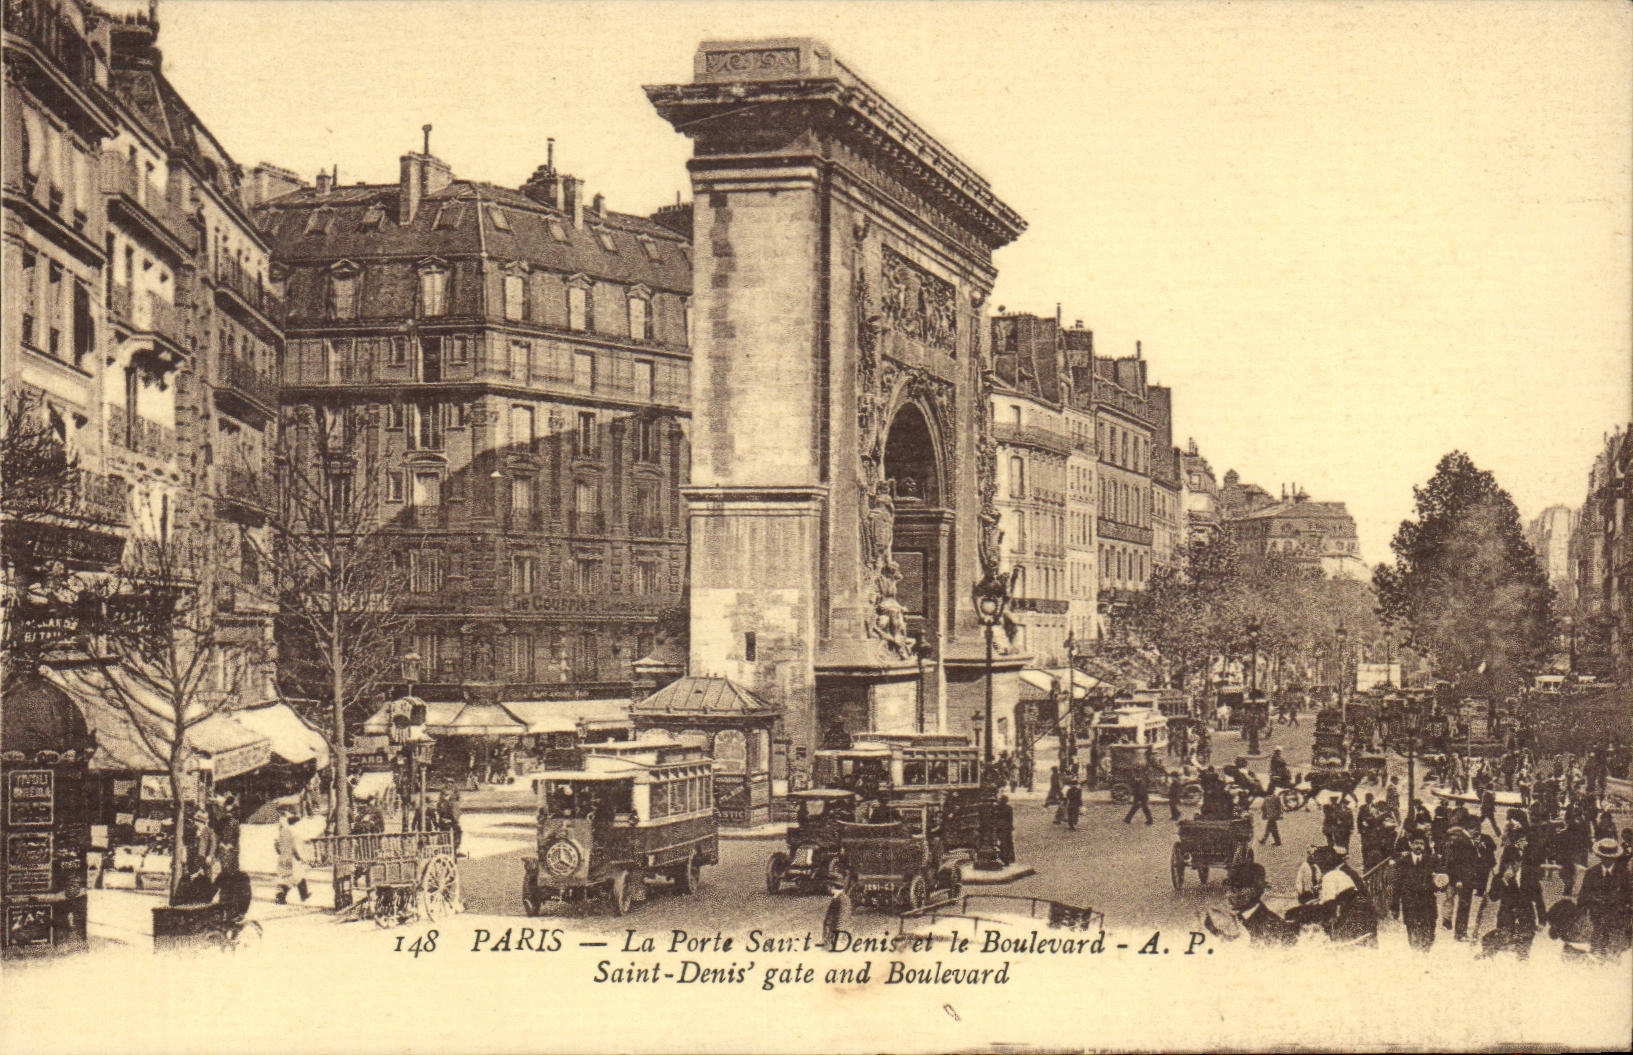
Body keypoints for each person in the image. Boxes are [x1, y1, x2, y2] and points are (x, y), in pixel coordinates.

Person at [1480, 830, 1547, 960]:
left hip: (1526, 917)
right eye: (1508, 864)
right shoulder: (1500, 878)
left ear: (1520, 863)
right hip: (1506, 917)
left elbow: (1538, 899)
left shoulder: (1529, 876)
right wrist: (1503, 881)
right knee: (1501, 945)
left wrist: (1542, 920)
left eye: (1514, 863)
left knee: (1523, 950)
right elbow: (1493, 897)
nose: (1511, 867)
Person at [1575, 837, 1632, 961]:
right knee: (1597, 953)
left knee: (1615, 955)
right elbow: (1583, 896)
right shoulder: (1591, 873)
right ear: (1600, 856)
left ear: (1615, 857)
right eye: (1604, 857)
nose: (1607, 860)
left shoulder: (1624, 874)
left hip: (1617, 921)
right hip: (1596, 919)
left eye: (1610, 858)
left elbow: (1629, 897)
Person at [1223, 861, 1297, 946]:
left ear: (1254, 890)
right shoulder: (1237, 919)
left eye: (1236, 888)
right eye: (1228, 889)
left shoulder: (1271, 927)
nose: (1228, 895)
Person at [1391, 831, 1441, 951]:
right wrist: (1395, 906)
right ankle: (1415, 951)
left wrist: (1439, 884)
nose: (1418, 846)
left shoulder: (1432, 861)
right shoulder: (1402, 862)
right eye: (1416, 843)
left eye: (1421, 844)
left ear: (1425, 845)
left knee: (1428, 930)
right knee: (1412, 929)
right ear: (1410, 844)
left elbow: (1439, 882)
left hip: (1427, 902)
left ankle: (1426, 950)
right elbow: (1397, 885)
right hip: (1410, 902)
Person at [273, 811, 310, 904]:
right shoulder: (292, 832)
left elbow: (277, 847)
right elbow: (293, 847)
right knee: (297, 876)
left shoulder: (281, 833)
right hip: (291, 858)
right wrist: (299, 857)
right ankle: (302, 895)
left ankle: (283, 896)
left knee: (287, 878)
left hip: (282, 858)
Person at [995, 794, 1015, 865]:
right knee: (1007, 843)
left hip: (999, 827)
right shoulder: (1009, 808)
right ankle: (1008, 859)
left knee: (1002, 843)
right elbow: (1010, 818)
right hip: (1006, 827)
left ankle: (1004, 858)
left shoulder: (996, 808)